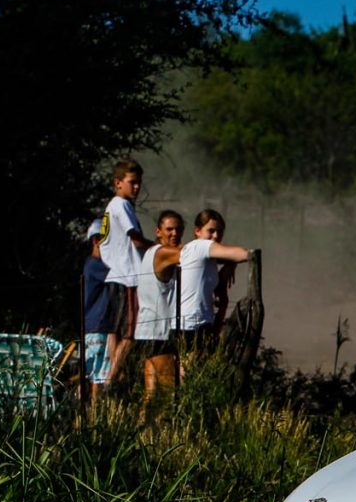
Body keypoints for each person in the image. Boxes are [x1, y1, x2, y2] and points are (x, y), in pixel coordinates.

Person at [97, 160, 154, 384]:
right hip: (128, 277)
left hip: (113, 275)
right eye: (132, 182)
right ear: (118, 183)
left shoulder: (111, 207)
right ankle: (112, 379)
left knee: (115, 331)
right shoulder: (121, 205)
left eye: (139, 183)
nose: (137, 187)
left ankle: (114, 375)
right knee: (131, 332)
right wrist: (158, 249)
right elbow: (136, 239)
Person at [179, 209, 252, 353]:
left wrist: (230, 263)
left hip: (195, 322)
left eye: (220, 231)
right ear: (198, 231)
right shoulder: (201, 245)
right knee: (190, 365)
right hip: (191, 325)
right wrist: (232, 261)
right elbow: (245, 254)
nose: (216, 236)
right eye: (211, 231)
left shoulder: (199, 252)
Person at [132, 210, 183, 412]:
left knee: (151, 397)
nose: (174, 233)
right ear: (158, 231)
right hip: (159, 333)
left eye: (178, 229)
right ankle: (164, 430)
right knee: (167, 395)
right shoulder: (163, 253)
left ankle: (141, 430)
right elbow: (193, 255)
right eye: (169, 229)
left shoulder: (150, 253)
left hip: (146, 331)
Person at [81, 222, 113, 402]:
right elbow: (120, 274)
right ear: (96, 241)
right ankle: (95, 409)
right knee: (98, 373)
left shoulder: (91, 264)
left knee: (96, 371)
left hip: (94, 324)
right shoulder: (96, 265)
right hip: (98, 325)